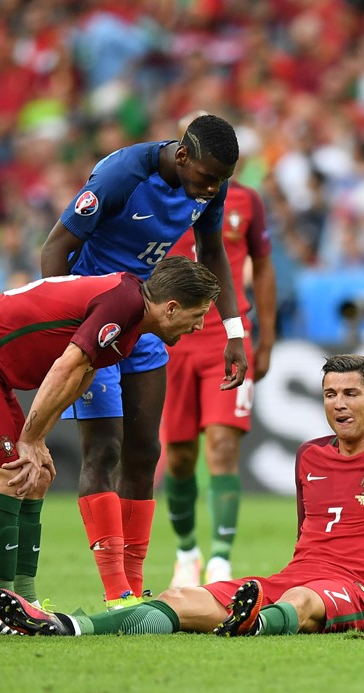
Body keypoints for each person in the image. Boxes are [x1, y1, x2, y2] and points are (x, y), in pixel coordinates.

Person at [0, 354, 364, 637]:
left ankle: (253, 624)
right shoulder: (309, 456)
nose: (339, 404)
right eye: (330, 394)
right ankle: (66, 625)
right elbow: (305, 534)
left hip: (350, 591)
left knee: (300, 602)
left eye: (351, 394)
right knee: (176, 598)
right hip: (292, 577)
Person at [39, 113, 248, 607]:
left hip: (148, 321)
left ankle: (132, 587)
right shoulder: (121, 177)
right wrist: (71, 333)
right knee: (104, 451)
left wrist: (233, 331)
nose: (211, 189)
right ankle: (115, 591)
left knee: (143, 454)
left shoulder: (208, 187)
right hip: (94, 321)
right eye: (205, 178)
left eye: (221, 181)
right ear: (181, 157)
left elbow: (212, 251)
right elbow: (55, 249)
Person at [0, 256, 222, 609]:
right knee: (9, 477)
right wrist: (29, 437)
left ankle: (25, 602)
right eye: (199, 316)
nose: (199, 327)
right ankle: (0, 607)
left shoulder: (132, 317)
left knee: (35, 476)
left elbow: (82, 374)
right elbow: (64, 366)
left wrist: (38, 438)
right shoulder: (122, 305)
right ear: (172, 308)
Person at [162, 112, 278, 589]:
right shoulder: (161, 195)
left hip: (225, 338)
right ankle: (187, 552)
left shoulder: (247, 202)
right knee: (179, 457)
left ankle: (222, 560)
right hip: (171, 338)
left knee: (224, 446)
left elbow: (264, 267)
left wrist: (264, 336)